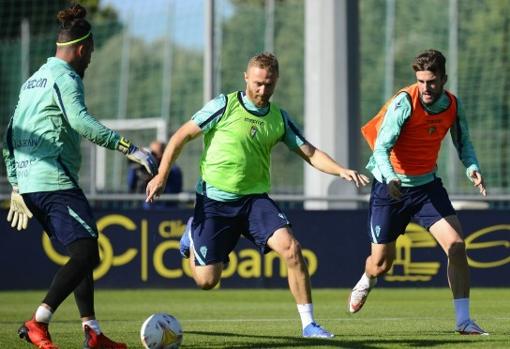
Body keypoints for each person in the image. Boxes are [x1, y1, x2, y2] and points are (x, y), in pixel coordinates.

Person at [146, 52, 370, 338]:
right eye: (258, 83)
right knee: (206, 281)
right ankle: (192, 233)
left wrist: (340, 170)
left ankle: (309, 325)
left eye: (269, 84)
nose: (263, 90)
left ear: (276, 82)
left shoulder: (278, 118)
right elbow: (181, 137)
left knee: (292, 249)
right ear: (246, 78)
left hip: (254, 202)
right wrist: (162, 175)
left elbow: (310, 153)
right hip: (214, 203)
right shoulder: (223, 105)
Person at [2, 4, 158, 349]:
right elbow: (81, 121)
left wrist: (15, 182)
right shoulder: (65, 77)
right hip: (53, 180)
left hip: (32, 184)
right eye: (90, 55)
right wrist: (129, 147)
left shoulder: (32, 81)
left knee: (82, 251)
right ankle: (37, 322)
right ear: (83, 49)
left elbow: (9, 135)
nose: (89, 63)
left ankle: (93, 332)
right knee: (89, 251)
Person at [350, 49, 488, 335]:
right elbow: (381, 148)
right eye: (421, 81)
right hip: (390, 187)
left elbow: (464, 142)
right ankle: (367, 279)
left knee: (457, 245)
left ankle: (463, 321)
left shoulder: (452, 105)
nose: (425, 88)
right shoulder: (404, 103)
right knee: (381, 264)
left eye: (432, 82)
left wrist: (471, 167)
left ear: (443, 79)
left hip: (426, 187)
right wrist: (390, 180)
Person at [128, 140, 182, 208]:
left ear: (163, 155)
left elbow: (172, 192)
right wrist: (137, 168)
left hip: (165, 210)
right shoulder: (140, 169)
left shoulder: (173, 170)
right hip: (143, 209)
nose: (151, 157)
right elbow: (131, 186)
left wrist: (157, 175)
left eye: (154, 154)